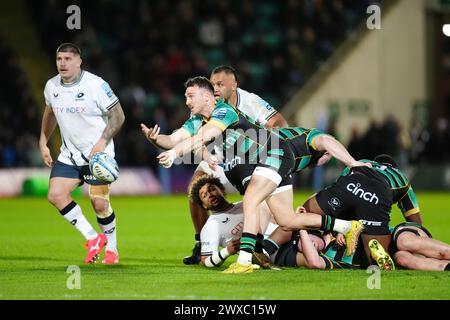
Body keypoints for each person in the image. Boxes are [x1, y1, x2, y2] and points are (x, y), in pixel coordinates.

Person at [143, 76, 367, 274]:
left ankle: (245, 260)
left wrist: (174, 154)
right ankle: (347, 227)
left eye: (190, 96)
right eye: (185, 97)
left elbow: (203, 137)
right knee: (286, 220)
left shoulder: (224, 111)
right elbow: (172, 139)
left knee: (251, 199)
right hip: (265, 163)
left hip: (272, 153)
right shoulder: (196, 121)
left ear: (206, 96)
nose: (187, 102)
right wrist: (156, 139)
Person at [182, 65, 288, 265]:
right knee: (196, 183)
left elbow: (280, 122)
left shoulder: (250, 101)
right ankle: (201, 242)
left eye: (220, 84)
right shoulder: (203, 103)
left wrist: (268, 136)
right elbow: (196, 141)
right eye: (212, 84)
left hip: (252, 164)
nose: (214, 88)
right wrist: (205, 155)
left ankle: (260, 244)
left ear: (234, 85)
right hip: (221, 164)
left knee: (274, 208)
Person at [39, 43, 125, 264]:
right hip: (69, 155)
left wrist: (102, 141)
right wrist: (43, 141)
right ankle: (93, 238)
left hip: (99, 156)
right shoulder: (51, 86)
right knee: (55, 195)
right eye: (59, 59)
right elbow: (50, 112)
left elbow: (118, 116)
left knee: (99, 205)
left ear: (79, 61)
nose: (63, 63)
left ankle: (112, 249)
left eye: (68, 59)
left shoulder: (96, 85)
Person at [188, 174, 277, 269]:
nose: (210, 195)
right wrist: (226, 251)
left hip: (283, 236)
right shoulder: (211, 225)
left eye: (212, 189)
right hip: (274, 254)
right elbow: (206, 260)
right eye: (204, 195)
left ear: (222, 190)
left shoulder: (247, 204)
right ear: (204, 206)